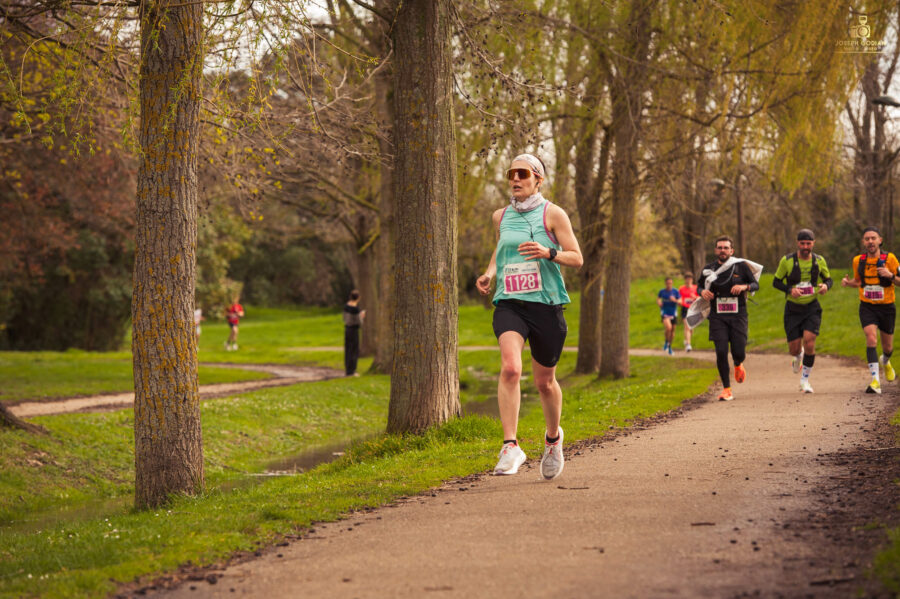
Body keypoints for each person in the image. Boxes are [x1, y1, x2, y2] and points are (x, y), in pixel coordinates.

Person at [476, 153, 583, 480]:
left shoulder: (553, 213)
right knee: (511, 368)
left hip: (546, 305)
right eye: (511, 174)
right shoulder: (500, 216)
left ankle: (553, 440)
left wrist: (549, 252)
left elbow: (577, 258)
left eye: (522, 174)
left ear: (538, 179)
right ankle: (510, 445)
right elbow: (502, 249)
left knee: (544, 382)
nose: (515, 179)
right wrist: (490, 273)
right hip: (510, 303)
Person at [696, 236, 761, 402]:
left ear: (732, 251)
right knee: (721, 351)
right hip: (717, 316)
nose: (722, 250)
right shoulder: (709, 269)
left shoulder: (741, 266)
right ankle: (727, 389)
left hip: (738, 315)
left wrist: (744, 286)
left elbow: (755, 285)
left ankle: (738, 363)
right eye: (720, 247)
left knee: (738, 351)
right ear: (715, 250)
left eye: (726, 248)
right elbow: (699, 286)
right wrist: (702, 292)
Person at [772, 229, 833, 393]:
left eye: (808, 243)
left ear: (813, 243)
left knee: (810, 341)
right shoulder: (787, 261)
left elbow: (828, 279)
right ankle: (798, 356)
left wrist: (826, 286)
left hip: (812, 307)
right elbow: (776, 282)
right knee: (794, 349)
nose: (805, 247)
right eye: (802, 243)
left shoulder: (819, 260)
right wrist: (789, 290)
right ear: (797, 243)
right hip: (792, 309)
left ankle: (805, 380)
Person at [840, 226, 900, 395]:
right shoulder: (858, 260)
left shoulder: (890, 259)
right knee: (871, 338)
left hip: (887, 307)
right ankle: (875, 381)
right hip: (867, 306)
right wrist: (848, 283)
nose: (870, 241)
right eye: (867, 239)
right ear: (863, 242)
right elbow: (859, 282)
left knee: (888, 347)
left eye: (873, 238)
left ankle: (885, 361)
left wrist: (890, 275)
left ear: (880, 240)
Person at [343, 289, 366, 377]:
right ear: (358, 298)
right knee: (354, 350)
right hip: (354, 330)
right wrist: (362, 316)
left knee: (348, 349)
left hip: (347, 329)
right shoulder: (355, 309)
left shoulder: (346, 306)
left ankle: (347, 369)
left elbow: (344, 318)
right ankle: (352, 371)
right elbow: (359, 322)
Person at [657, 277, 680, 355]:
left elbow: (680, 302)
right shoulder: (662, 292)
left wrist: (675, 300)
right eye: (667, 283)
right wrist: (659, 302)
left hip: (673, 313)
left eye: (670, 283)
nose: (669, 284)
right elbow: (658, 299)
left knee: (672, 331)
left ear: (672, 283)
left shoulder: (675, 291)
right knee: (668, 327)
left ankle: (669, 346)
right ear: (665, 283)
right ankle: (666, 342)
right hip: (665, 312)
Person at [678, 272, 699, 352]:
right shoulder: (681, 289)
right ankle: (688, 345)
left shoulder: (696, 288)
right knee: (687, 326)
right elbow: (679, 298)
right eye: (687, 279)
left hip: (693, 309)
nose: (688, 281)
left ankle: (686, 340)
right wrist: (679, 301)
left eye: (689, 279)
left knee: (691, 328)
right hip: (685, 309)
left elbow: (700, 299)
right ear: (685, 280)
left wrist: (695, 297)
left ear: (692, 280)